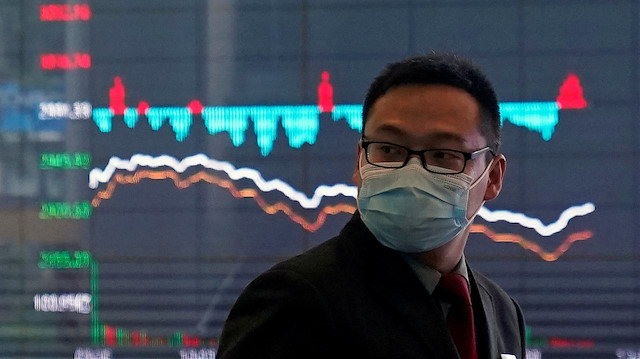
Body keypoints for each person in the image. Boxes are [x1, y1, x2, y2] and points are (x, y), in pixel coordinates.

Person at [217, 53, 527, 359]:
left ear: (493, 178)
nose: (411, 173)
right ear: (359, 161)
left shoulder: (501, 312)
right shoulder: (296, 300)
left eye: (443, 155)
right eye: (389, 149)